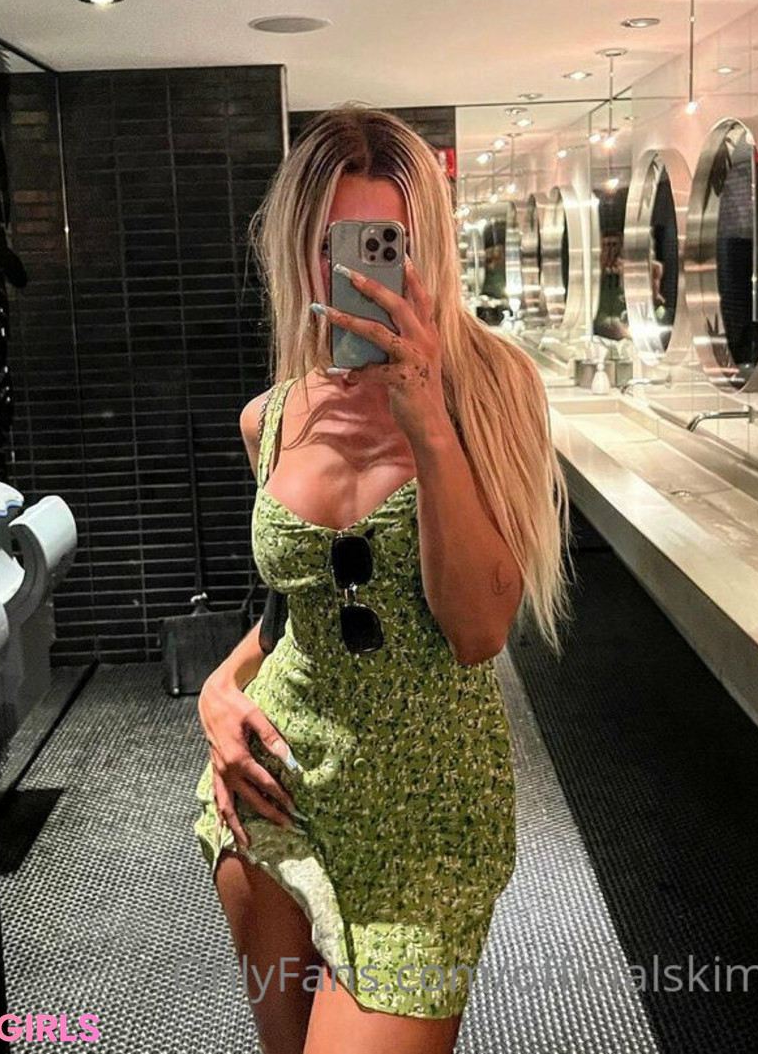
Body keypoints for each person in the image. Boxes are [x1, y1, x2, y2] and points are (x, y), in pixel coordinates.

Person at [193, 105, 575, 1054]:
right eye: (338, 246)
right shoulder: (270, 417)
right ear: (301, 252)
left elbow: (478, 630)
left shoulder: (497, 390)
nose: (362, 276)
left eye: (386, 246)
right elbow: (292, 616)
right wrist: (217, 689)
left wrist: (428, 421)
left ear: (425, 246)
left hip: (427, 819)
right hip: (277, 787)